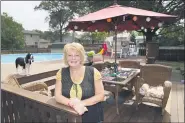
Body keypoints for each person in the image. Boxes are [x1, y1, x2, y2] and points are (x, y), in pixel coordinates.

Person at [55, 42, 105, 123]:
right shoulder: (61, 72)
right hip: (68, 117)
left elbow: (101, 95)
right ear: (66, 57)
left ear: (81, 57)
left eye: (77, 55)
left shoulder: (93, 72)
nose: (73, 58)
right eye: (70, 55)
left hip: (92, 116)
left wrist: (81, 103)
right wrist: (72, 103)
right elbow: (57, 95)